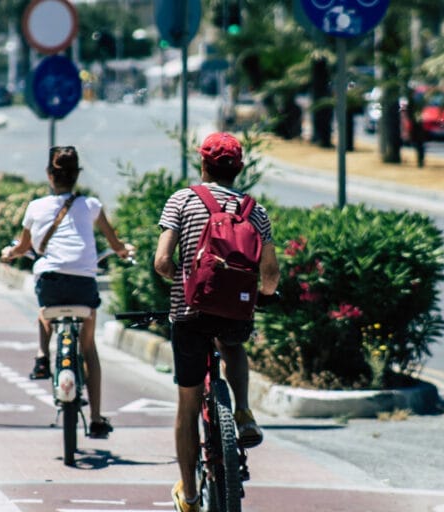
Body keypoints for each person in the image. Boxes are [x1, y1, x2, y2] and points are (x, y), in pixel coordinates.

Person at [154, 132, 280, 512]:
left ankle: (190, 496)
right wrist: (265, 297)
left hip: (190, 314)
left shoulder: (182, 200)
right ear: (238, 168)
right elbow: (270, 271)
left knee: (188, 405)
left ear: (203, 164)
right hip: (236, 311)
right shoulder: (254, 211)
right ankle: (242, 410)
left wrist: (182, 282)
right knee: (233, 345)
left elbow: (162, 261)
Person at [1, 145, 132, 439]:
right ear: (77, 176)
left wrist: (10, 253)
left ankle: (41, 354)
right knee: (88, 347)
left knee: (45, 308)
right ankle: (96, 418)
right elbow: (114, 242)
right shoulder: (92, 206)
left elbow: (24, 248)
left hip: (50, 283)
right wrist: (124, 251)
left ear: (50, 175)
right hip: (84, 285)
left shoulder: (35, 207)